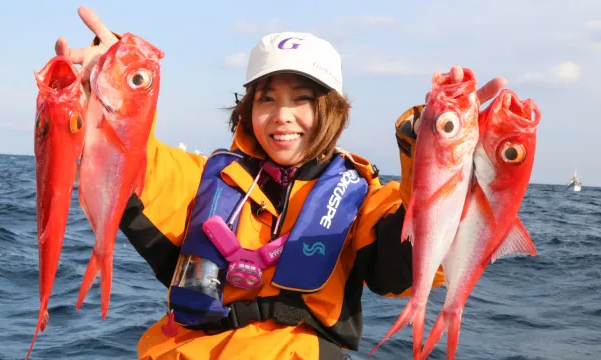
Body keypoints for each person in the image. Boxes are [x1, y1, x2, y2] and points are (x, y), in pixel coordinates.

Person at [54, 6, 507, 360]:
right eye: (266, 99)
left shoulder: (365, 196)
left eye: (302, 100)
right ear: (247, 107)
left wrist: (434, 140)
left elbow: (406, 256)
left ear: (332, 111)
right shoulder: (202, 178)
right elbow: (128, 163)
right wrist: (111, 83)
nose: (282, 116)